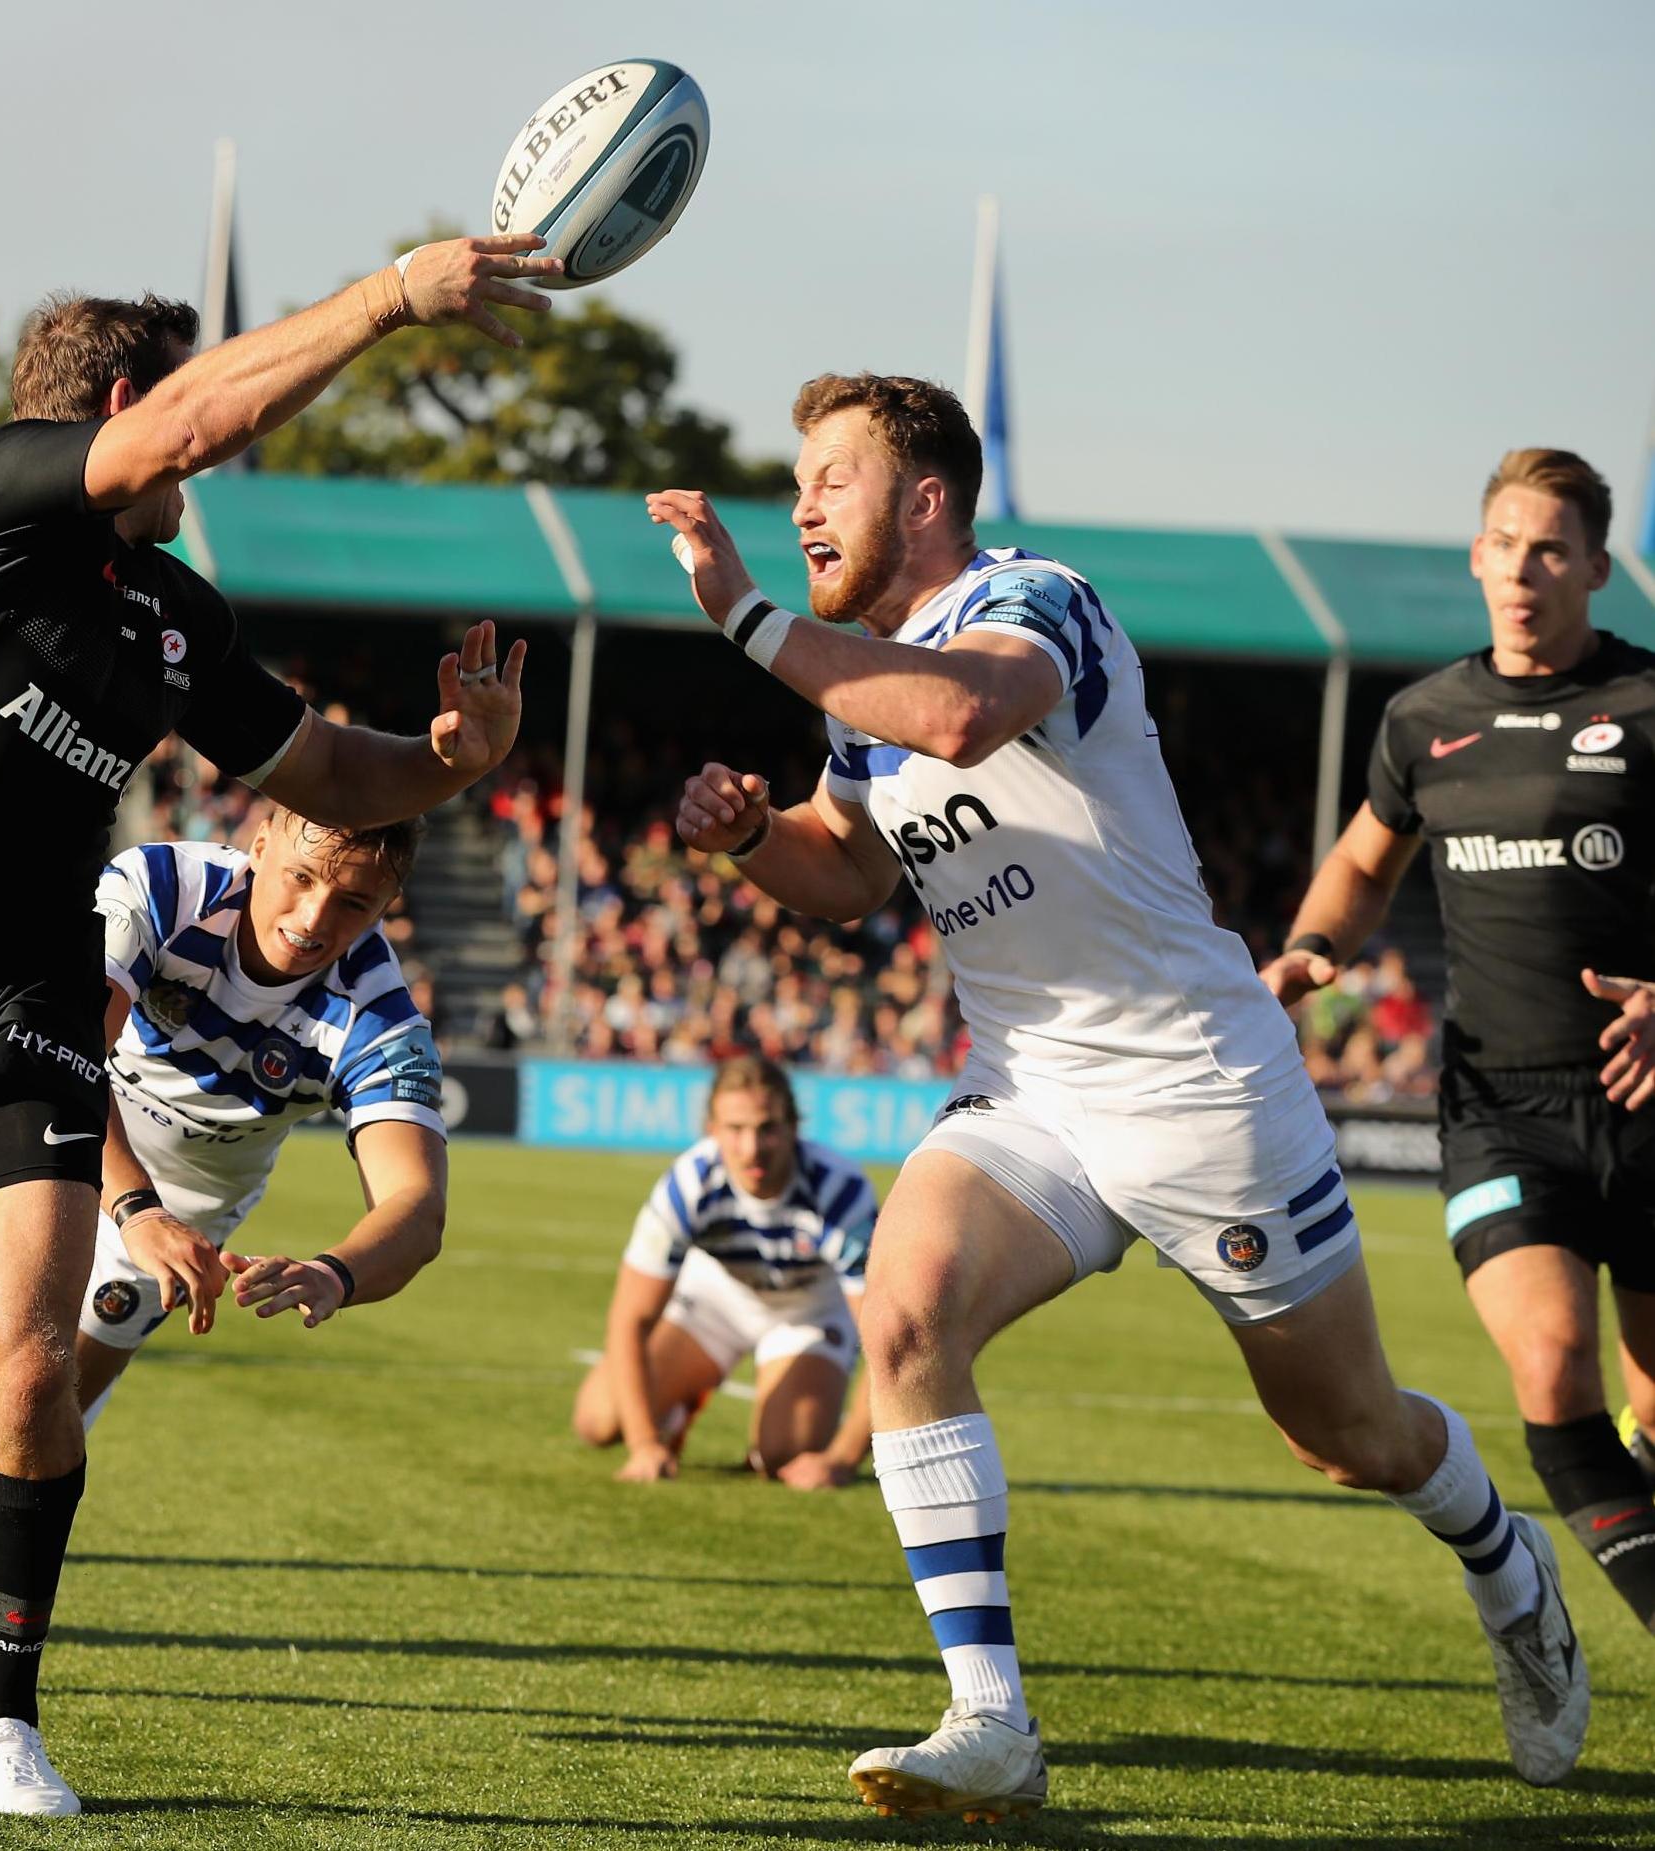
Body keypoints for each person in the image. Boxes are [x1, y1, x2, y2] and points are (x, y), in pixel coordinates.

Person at [649, 374, 1584, 1822]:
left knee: (1349, 1436)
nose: (800, 503)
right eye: (798, 478)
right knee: (901, 1308)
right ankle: (992, 1718)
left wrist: (747, 618)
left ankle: (1507, 1563)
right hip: (1028, 1087)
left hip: (1200, 1088)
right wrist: (754, 837)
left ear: (927, 499)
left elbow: (966, 718)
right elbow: (845, 869)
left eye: (832, 475)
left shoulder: (1038, 598)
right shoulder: (857, 680)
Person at [0, 237, 547, 1818]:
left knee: (32, 1374)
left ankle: (2, 1710)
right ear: (126, 404)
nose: (226, 446)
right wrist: (391, 296)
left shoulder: (174, 613)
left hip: (24, 998)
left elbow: (330, 774)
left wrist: (456, 755)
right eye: (196, 409)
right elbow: (192, 427)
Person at [0, 809, 448, 1693]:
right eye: (300, 876)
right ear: (259, 842)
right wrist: (133, 1202)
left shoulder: (378, 1011)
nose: (313, 916)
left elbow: (415, 1203)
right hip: (53, 1130)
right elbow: (63, 1055)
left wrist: (335, 1269)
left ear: (388, 904)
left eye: (355, 901)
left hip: (180, 1228)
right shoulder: (162, 888)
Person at [1262, 448, 1655, 1637]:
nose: (1522, 570)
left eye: (1548, 548)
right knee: (1546, 1373)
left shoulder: (1645, 706)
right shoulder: (1424, 719)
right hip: (1496, 1104)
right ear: (1475, 556)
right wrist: (1309, 948)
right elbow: (1361, 865)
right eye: (1502, 543)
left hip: (1645, 1100)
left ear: (1595, 565)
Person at [570, 1055, 877, 1489]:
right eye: (735, 1130)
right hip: (715, 1297)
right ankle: (679, 1409)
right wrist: (643, 1445)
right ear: (711, 1129)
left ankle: (774, 1427)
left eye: (767, 1128)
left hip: (808, 1309)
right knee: (598, 1419)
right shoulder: (688, 1186)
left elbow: (889, 1338)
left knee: (787, 1455)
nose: (751, 1149)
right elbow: (629, 1319)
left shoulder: (840, 1194)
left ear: (793, 1127)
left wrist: (842, 1459)